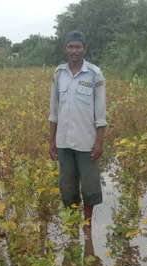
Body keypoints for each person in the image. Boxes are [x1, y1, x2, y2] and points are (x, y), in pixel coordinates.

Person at [48, 30, 107, 236]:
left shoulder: (94, 74)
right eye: (71, 47)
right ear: (66, 49)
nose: (74, 51)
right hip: (63, 141)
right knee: (67, 186)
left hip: (86, 142)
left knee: (89, 187)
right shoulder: (59, 74)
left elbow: (100, 114)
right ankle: (72, 223)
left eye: (78, 47)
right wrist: (51, 141)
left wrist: (99, 142)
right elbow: (53, 111)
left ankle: (87, 225)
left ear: (85, 49)